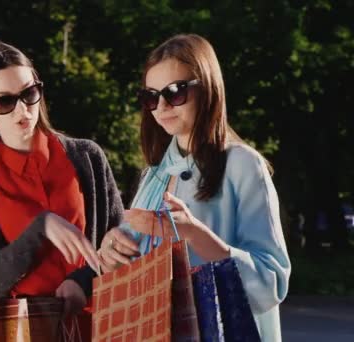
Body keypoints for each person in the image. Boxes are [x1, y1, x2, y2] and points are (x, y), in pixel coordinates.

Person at [98, 34, 291, 341]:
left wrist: (194, 233)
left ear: (208, 90)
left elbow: (271, 283)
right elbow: (130, 265)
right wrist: (111, 247)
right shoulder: (153, 175)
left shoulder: (242, 163)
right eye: (150, 96)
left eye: (175, 93)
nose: (160, 106)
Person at [0, 42, 124, 341]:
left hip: (96, 327)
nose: (23, 110)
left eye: (29, 94)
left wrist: (83, 282)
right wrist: (42, 226)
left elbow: (119, 246)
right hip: (17, 331)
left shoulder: (86, 157)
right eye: (4, 102)